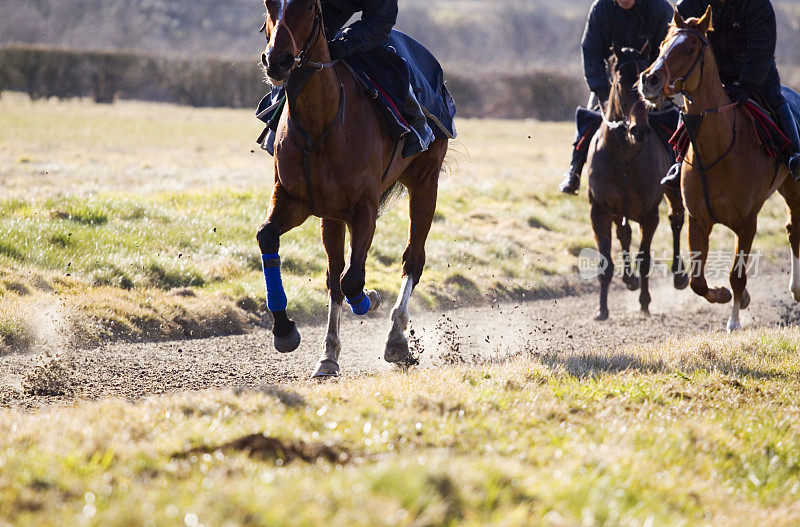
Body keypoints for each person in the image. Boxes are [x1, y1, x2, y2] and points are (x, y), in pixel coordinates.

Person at [661, 0, 800, 186]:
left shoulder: (757, 4)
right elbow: (679, 40)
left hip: (754, 72)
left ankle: (794, 154)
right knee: (690, 102)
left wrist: (745, 86)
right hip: (710, 73)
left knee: (775, 99)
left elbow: (762, 49)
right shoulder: (689, 3)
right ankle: (678, 163)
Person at [559, 0, 674, 195]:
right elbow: (591, 52)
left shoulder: (659, 8)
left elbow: (669, 49)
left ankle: (677, 170)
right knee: (591, 117)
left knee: (673, 119)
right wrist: (602, 93)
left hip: (653, 80)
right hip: (614, 82)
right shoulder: (601, 9)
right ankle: (574, 169)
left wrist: (657, 87)